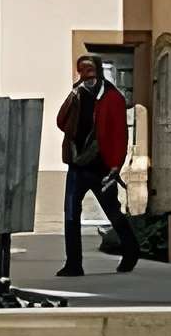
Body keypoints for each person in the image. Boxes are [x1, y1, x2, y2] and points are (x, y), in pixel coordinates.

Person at [55, 52, 139, 276]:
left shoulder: (113, 97)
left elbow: (120, 135)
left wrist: (115, 167)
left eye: (90, 70)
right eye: (82, 71)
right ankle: (74, 263)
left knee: (112, 211)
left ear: (99, 71)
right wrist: (72, 95)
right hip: (77, 165)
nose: (86, 75)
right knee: (71, 214)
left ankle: (131, 249)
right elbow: (61, 122)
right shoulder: (78, 95)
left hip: (102, 167)